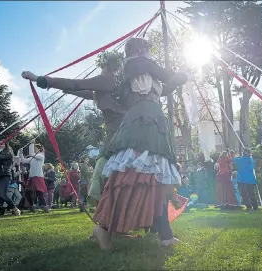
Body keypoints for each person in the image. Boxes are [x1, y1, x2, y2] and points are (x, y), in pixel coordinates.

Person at [23, 37, 191, 250]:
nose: (150, 54)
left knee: (156, 180)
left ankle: (165, 235)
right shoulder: (135, 65)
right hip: (140, 127)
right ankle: (103, 228)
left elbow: (166, 86)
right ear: (139, 51)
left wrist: (180, 78)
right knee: (131, 179)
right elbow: (80, 85)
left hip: (153, 127)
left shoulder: (142, 75)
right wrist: (44, 80)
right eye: (147, 50)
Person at [21, 54, 127, 210]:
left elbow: (77, 83)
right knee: (108, 173)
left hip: (118, 137)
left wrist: (40, 79)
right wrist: (70, 91)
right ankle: (111, 213)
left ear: (108, 66)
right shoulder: (116, 84)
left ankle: (108, 213)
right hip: (120, 135)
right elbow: (88, 93)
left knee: (104, 173)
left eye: (102, 65)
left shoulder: (107, 78)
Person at [0, 142, 21, 216]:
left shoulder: (8, 153)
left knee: (2, 195)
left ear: (6, 145)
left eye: (2, 143)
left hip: (5, 175)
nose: (0, 145)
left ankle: (14, 208)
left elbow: (0, 157)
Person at [19, 140, 49, 213]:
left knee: (39, 193)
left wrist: (32, 144)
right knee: (27, 193)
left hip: (38, 177)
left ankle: (45, 206)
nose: (34, 149)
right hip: (32, 177)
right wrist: (20, 152)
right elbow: (23, 161)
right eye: (34, 148)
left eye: (35, 148)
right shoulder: (32, 158)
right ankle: (32, 206)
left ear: (39, 149)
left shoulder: (41, 156)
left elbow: (31, 153)